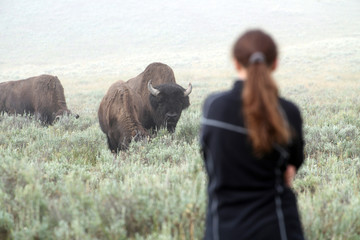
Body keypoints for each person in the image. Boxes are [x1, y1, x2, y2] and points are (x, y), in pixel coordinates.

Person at [200, 29, 305, 240]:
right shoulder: (288, 113)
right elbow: (290, 171)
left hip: (223, 229)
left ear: (236, 63)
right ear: (274, 63)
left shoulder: (213, 107)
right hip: (278, 227)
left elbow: (209, 159)